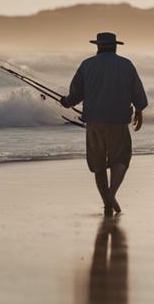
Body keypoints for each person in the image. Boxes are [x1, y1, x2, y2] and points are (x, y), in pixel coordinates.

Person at [61, 32, 148, 215]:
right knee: (121, 159)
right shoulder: (126, 65)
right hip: (119, 120)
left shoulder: (87, 65)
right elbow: (137, 92)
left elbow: (75, 95)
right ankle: (111, 195)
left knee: (98, 164)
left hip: (94, 121)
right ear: (115, 46)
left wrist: (66, 102)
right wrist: (139, 111)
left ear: (99, 46)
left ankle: (107, 201)